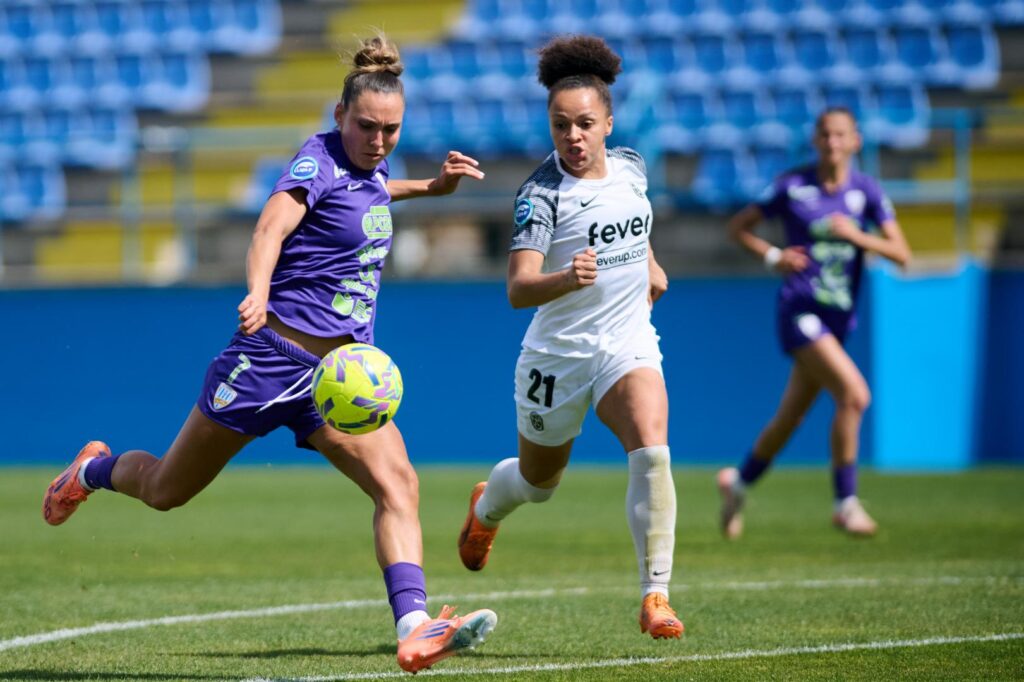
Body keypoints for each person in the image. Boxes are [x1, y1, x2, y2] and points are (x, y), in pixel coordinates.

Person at [42, 34, 497, 674]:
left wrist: (430, 186)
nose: (379, 139)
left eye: (392, 129)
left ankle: (416, 626)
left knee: (398, 483)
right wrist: (258, 291)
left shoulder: (372, 167)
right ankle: (90, 471)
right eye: (367, 126)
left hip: (336, 380)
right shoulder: (316, 161)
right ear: (339, 117)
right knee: (168, 490)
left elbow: (367, 197)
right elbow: (269, 228)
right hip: (269, 361)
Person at [455, 35, 683, 640]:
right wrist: (566, 276)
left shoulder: (632, 167)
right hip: (558, 355)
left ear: (608, 122)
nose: (573, 137)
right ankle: (486, 508)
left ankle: (655, 594)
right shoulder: (541, 196)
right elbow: (518, 288)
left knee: (651, 446)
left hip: (627, 341)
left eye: (585, 124)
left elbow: (631, 225)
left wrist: (650, 264)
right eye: (561, 126)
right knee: (538, 484)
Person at [716, 107, 912, 539]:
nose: (832, 143)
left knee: (790, 418)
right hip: (799, 311)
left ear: (856, 141)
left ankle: (738, 484)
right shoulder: (792, 186)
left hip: (838, 319)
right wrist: (773, 256)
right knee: (854, 396)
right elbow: (739, 227)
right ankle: (846, 503)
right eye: (825, 134)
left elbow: (902, 253)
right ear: (815, 140)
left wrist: (857, 235)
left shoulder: (867, 192)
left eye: (841, 135)